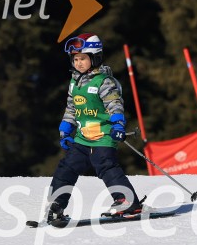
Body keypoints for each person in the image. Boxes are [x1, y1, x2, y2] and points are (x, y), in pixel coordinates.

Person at [46, 33, 142, 223]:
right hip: (82, 138)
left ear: (95, 57)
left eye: (83, 58)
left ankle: (127, 201)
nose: (78, 63)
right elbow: (71, 109)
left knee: (105, 165)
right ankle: (56, 205)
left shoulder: (104, 81)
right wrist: (65, 130)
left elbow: (114, 104)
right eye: (75, 59)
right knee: (67, 167)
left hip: (103, 136)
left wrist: (118, 124)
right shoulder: (74, 83)